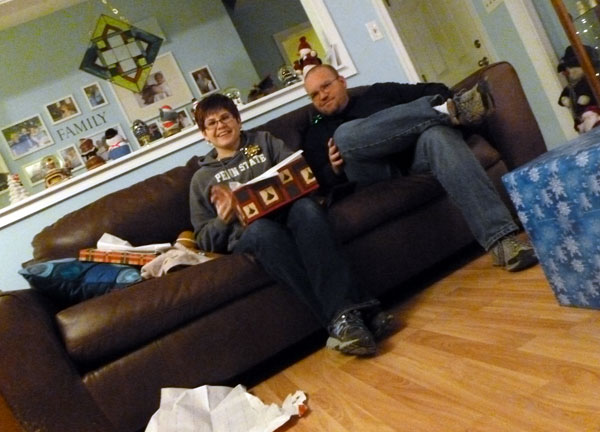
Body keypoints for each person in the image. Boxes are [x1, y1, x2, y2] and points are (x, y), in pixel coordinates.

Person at [189, 93, 393, 356]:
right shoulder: (201, 179)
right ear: (204, 134)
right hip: (253, 233)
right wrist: (223, 219)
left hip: (289, 213)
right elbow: (204, 239)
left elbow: (299, 173)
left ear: (238, 120)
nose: (221, 126)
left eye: (226, 117)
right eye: (212, 123)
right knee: (265, 232)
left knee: (308, 209)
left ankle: (346, 323)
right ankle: (358, 312)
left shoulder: (263, 142)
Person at [302, 64, 538, 272]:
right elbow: (317, 183)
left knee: (437, 135)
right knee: (342, 135)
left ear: (342, 82)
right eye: (314, 95)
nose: (322, 96)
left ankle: (503, 243)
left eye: (326, 86)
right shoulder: (315, 134)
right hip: (374, 176)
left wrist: (440, 105)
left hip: (416, 157)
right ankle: (449, 113)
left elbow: (436, 90)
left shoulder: (378, 93)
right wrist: (332, 169)